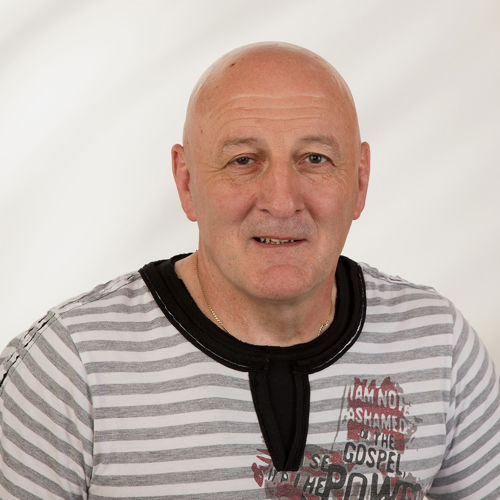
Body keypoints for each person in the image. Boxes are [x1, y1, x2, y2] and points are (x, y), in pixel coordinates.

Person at [0, 42, 498, 500]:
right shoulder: (67, 368)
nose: (281, 200)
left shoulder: (440, 345)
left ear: (360, 181)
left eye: (315, 158)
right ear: (187, 182)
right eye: (243, 160)